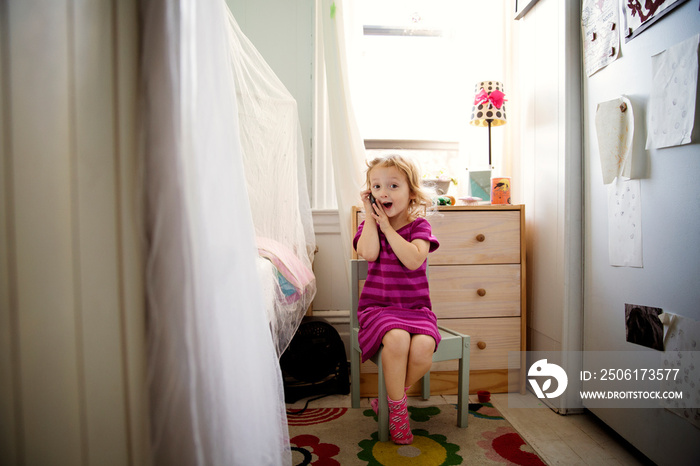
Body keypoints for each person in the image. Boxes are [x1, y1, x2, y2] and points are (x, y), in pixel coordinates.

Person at [353, 154, 440, 445]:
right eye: (376, 187)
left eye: (392, 185)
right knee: (399, 339)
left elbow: (414, 260)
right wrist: (369, 215)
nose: (383, 193)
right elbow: (369, 254)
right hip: (378, 309)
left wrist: (389, 228)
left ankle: (389, 398)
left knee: (424, 348)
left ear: (411, 193)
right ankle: (399, 411)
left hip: (415, 309)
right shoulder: (370, 227)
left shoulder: (420, 228)